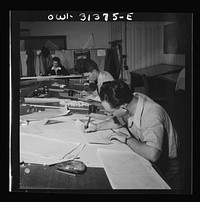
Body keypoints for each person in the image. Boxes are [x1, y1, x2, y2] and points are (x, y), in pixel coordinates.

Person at [83, 79, 182, 190]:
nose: (107, 114)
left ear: (124, 107)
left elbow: (153, 154)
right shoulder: (132, 99)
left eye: (110, 112)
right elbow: (120, 120)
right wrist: (97, 127)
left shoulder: (152, 114)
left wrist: (127, 139)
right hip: (148, 155)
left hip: (166, 166)